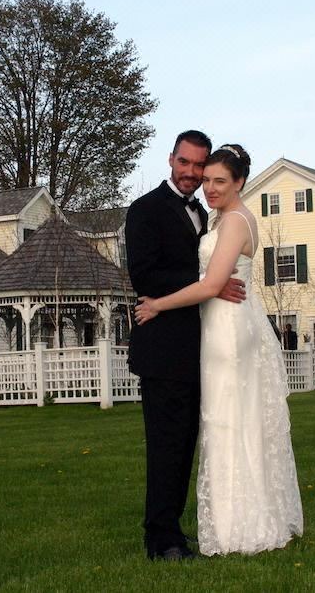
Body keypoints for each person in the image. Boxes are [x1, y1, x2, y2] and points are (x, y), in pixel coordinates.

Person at [135, 144, 303, 556]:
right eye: (202, 176)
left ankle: (238, 529)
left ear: (240, 182)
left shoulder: (230, 221)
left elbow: (211, 284)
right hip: (198, 338)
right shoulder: (167, 211)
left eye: (216, 179)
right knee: (209, 431)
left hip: (225, 333)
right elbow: (152, 271)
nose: (206, 185)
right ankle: (186, 533)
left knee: (227, 425)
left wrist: (162, 302)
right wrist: (210, 279)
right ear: (172, 160)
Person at [125, 130, 247, 561]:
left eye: (199, 166)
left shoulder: (207, 213)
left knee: (187, 445)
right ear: (170, 159)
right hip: (163, 351)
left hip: (202, 349)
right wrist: (209, 285)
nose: (192, 174)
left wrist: (212, 286)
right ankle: (161, 541)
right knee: (166, 448)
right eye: (185, 163)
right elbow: (144, 276)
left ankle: (174, 529)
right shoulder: (145, 210)